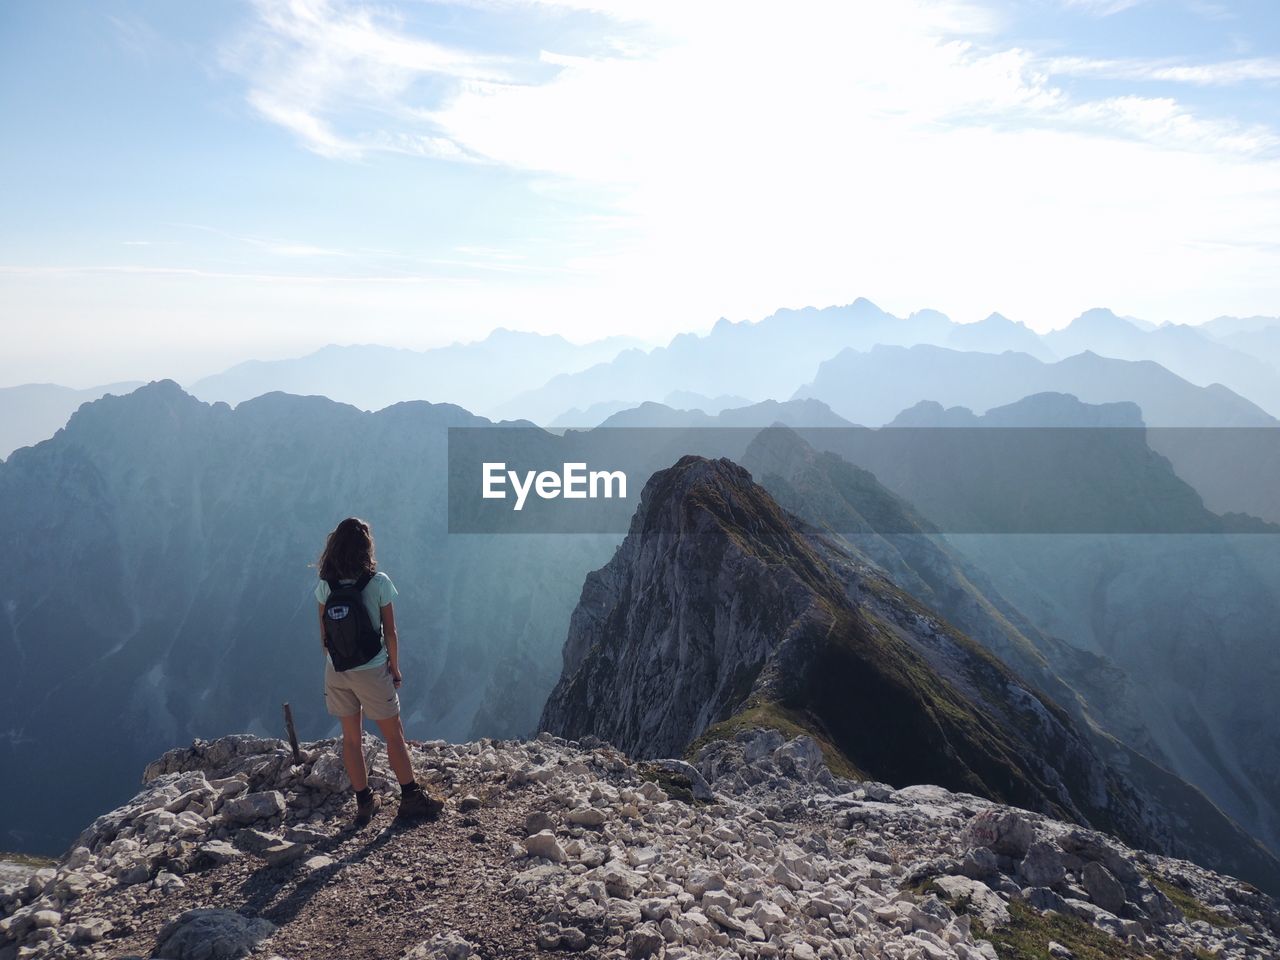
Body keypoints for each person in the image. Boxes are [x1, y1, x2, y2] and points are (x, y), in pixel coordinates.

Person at [316, 517, 442, 826]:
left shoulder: (325, 585)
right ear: (365, 548)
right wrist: (394, 668)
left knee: (351, 739)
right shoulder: (379, 582)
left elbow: (324, 637)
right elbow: (391, 632)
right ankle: (410, 797)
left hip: (337, 670)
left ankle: (364, 803)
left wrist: (338, 663)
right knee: (394, 735)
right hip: (371, 670)